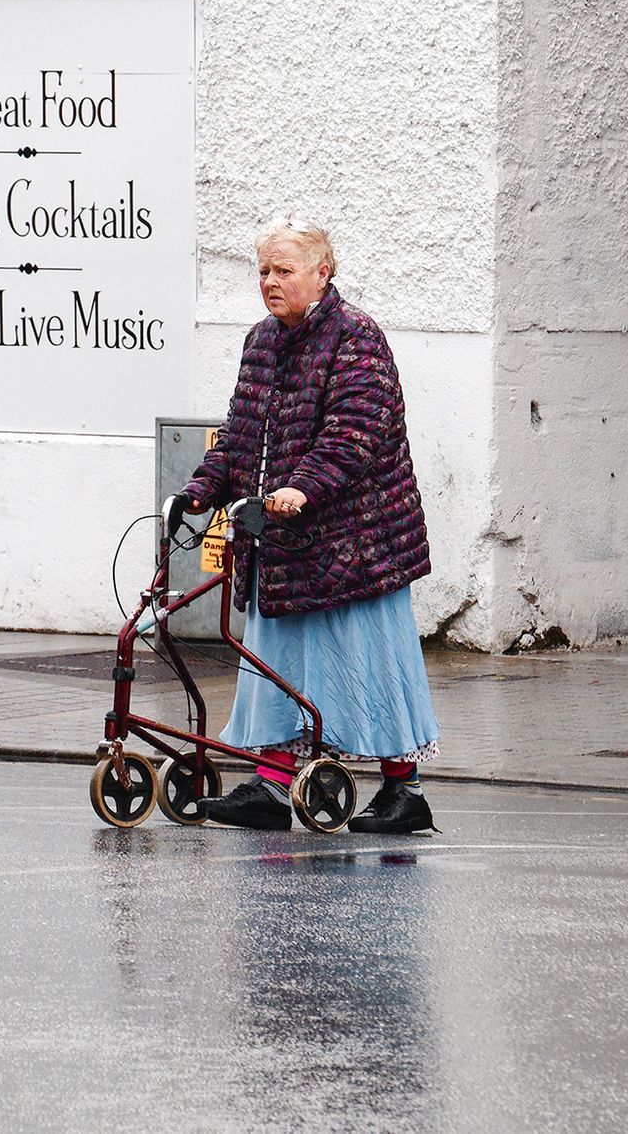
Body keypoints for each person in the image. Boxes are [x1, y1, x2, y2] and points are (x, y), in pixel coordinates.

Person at [179, 213, 440, 834]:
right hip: (282, 538)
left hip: (357, 539)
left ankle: (404, 791)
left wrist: (301, 487)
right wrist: (201, 490)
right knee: (276, 658)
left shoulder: (358, 338)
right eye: (263, 270)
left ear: (323, 274)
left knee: (370, 658)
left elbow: (358, 432)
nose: (270, 281)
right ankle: (272, 784)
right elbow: (240, 435)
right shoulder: (261, 341)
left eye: (283, 270)